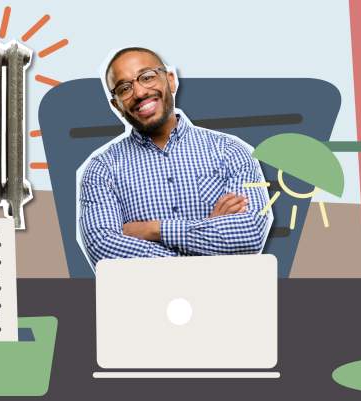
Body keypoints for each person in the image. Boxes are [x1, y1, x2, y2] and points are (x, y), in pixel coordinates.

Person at [78, 47, 272, 266]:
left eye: (147, 77)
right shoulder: (102, 169)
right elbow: (104, 247)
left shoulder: (231, 152)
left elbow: (250, 234)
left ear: (170, 80)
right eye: (124, 88)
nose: (140, 92)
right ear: (117, 106)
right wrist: (207, 232)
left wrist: (152, 229)